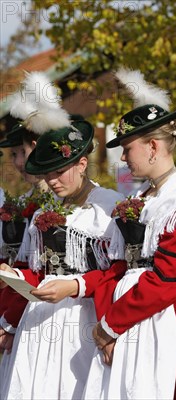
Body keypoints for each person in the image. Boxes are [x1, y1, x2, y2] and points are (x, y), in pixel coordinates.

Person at [32, 68, 176, 399]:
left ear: (153, 146)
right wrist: (107, 319)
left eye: (127, 148)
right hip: (133, 317)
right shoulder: (141, 197)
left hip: (171, 316)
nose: (122, 158)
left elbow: (168, 279)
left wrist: (109, 326)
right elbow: (118, 267)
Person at [0, 72, 123, 399]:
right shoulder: (42, 213)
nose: (53, 180)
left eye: (60, 171)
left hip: (85, 320)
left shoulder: (109, 207)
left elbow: (120, 272)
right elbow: (37, 271)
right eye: (47, 173)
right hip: (40, 320)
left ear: (82, 163)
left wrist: (76, 285)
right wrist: (13, 275)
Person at [0, 120, 50, 391]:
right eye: (14, 156)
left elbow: (39, 271)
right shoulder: (25, 204)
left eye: (19, 153)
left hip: (43, 310)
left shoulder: (53, 206)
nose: (18, 163)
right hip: (19, 309)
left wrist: (9, 320)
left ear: (35, 147)